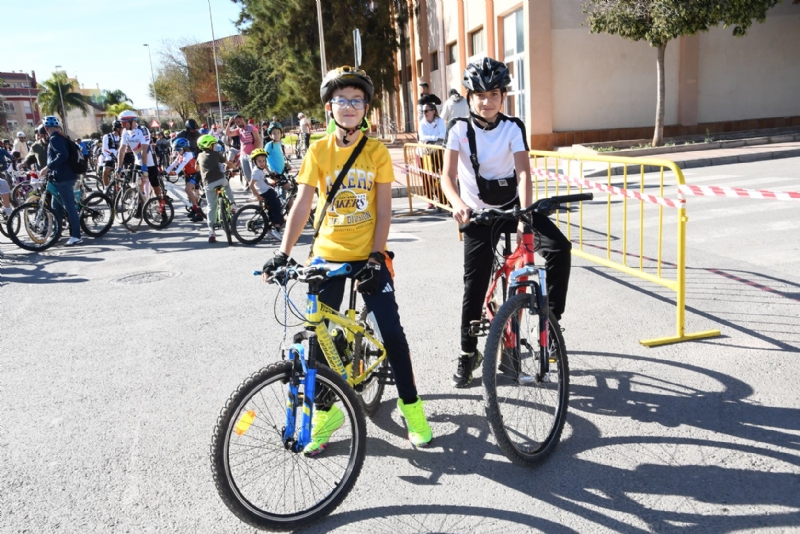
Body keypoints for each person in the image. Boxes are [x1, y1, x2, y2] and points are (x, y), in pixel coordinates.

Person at [262, 65, 432, 452]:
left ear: (366, 108)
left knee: (392, 333)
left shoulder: (376, 152)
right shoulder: (317, 150)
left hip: (367, 255)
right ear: (329, 108)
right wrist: (282, 253)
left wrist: (375, 256)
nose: (350, 107)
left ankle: (412, 407)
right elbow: (303, 202)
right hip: (327, 253)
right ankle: (326, 413)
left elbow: (385, 209)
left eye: (357, 100)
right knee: (318, 338)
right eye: (342, 100)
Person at [440, 57, 573, 388]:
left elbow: (524, 173)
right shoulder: (459, 129)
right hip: (478, 214)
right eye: (480, 95)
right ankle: (467, 352)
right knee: (475, 285)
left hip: (514, 207)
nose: (487, 102)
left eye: (495, 94)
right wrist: (458, 205)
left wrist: (525, 216)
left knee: (559, 248)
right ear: (469, 97)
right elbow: (446, 177)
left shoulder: (513, 127)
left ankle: (550, 321)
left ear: (503, 96)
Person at [38, 116, 82, 246]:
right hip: (59, 178)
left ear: (46, 128)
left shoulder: (55, 139)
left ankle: (76, 236)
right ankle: (56, 234)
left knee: (69, 207)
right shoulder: (59, 137)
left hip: (64, 178)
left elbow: (63, 155)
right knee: (55, 208)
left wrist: (47, 168)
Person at [115, 110, 166, 212]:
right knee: (137, 186)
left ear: (131, 121)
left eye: (124, 123)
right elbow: (122, 150)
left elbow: (144, 150)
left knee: (155, 187)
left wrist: (144, 167)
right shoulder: (125, 132)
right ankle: (141, 207)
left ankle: (162, 209)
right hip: (137, 162)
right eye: (121, 123)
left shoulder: (143, 130)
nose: (122, 125)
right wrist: (119, 167)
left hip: (149, 162)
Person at [196, 133, 236, 243]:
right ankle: (232, 204)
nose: (215, 146)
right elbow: (228, 163)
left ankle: (211, 232)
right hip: (219, 180)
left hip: (208, 184)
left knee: (211, 206)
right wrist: (235, 167)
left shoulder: (199, 156)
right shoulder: (216, 154)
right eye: (213, 144)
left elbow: (196, 168)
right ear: (209, 145)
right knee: (227, 185)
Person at [248, 148, 284, 240]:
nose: (262, 163)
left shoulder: (259, 169)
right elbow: (251, 185)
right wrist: (258, 196)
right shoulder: (256, 171)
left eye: (263, 160)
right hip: (266, 193)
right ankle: (276, 230)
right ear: (254, 162)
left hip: (266, 190)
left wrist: (270, 177)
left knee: (271, 209)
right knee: (277, 208)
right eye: (259, 161)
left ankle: (268, 228)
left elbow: (262, 177)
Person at [417, 103, 447, 209]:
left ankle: (442, 200)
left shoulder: (440, 121)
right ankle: (430, 200)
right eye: (423, 111)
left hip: (437, 152)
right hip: (423, 153)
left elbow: (443, 135)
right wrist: (436, 138)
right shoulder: (422, 123)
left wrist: (431, 139)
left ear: (433, 111)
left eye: (426, 111)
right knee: (426, 177)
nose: (424, 113)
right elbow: (423, 137)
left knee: (438, 176)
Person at [225, 114, 261, 186]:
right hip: (243, 155)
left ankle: (260, 192)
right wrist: (229, 123)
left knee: (255, 174)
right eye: (236, 122)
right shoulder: (239, 130)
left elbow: (257, 140)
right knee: (248, 176)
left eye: (239, 121)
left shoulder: (251, 127)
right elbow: (228, 133)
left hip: (252, 155)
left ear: (243, 119)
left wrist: (255, 154)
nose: (238, 124)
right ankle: (254, 193)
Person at [100, 121, 122, 187]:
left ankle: (119, 188)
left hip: (119, 158)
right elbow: (104, 149)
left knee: (120, 174)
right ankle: (106, 188)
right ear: (117, 129)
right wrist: (111, 156)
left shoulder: (122, 137)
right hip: (109, 157)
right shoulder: (107, 136)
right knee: (105, 172)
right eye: (121, 128)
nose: (122, 130)